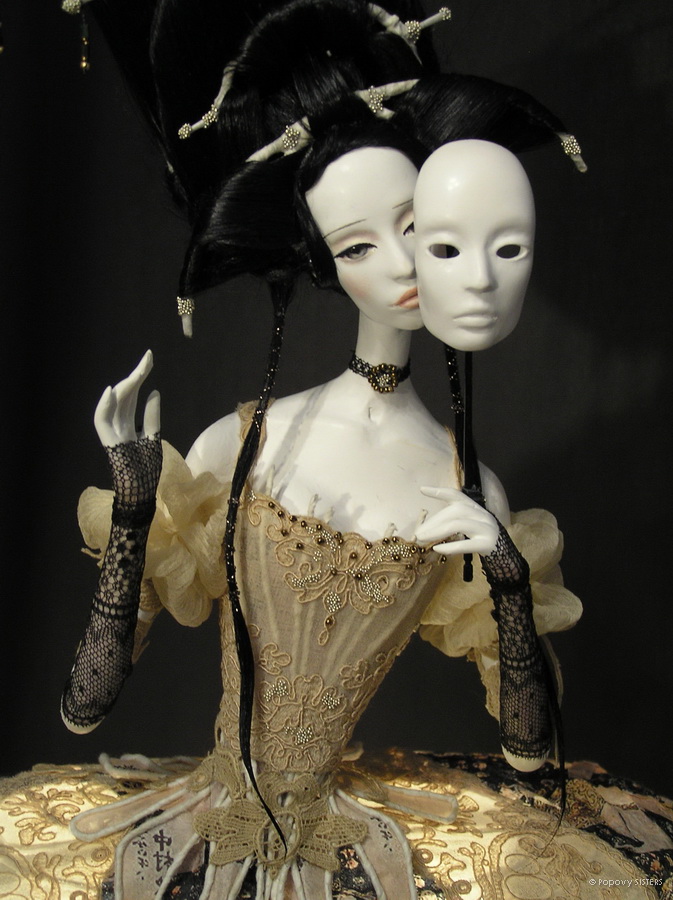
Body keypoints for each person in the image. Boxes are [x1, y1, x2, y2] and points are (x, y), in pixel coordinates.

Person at [1, 1, 667, 898]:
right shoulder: (238, 441)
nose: (396, 266)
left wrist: (509, 584)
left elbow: (528, 746)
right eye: (357, 245)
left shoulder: (465, 486)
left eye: (412, 227)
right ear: (324, 263)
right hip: (203, 818)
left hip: (344, 836)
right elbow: (85, 706)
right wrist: (131, 510)